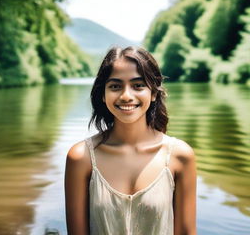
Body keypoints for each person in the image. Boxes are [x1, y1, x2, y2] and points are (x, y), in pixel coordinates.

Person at [65, 46, 197, 235]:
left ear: (153, 93)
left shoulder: (180, 156)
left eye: (138, 85)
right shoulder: (81, 158)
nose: (126, 96)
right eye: (115, 86)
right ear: (103, 94)